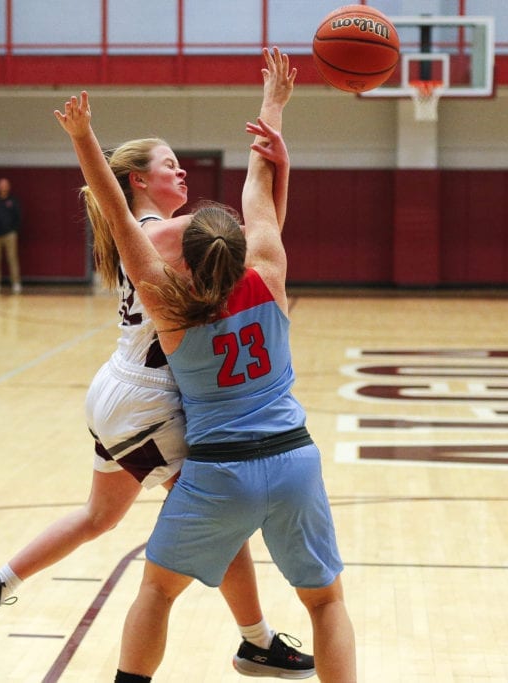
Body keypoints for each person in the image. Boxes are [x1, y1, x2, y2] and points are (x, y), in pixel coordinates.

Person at [0, 48, 317, 680]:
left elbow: (262, 238)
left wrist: (278, 149)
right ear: (141, 183)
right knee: (222, 515)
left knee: (101, 516)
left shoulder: (158, 236)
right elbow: (260, 232)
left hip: (119, 395)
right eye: (171, 165)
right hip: (150, 400)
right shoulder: (159, 236)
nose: (182, 173)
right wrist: (273, 116)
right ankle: (255, 640)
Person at [54, 51, 356, 683]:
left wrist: (86, 141)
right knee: (326, 603)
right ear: (241, 245)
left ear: (182, 259)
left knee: (158, 593)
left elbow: (117, 214)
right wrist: (273, 106)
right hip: (295, 458)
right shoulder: (269, 273)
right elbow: (261, 193)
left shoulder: (170, 307)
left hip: (220, 470)